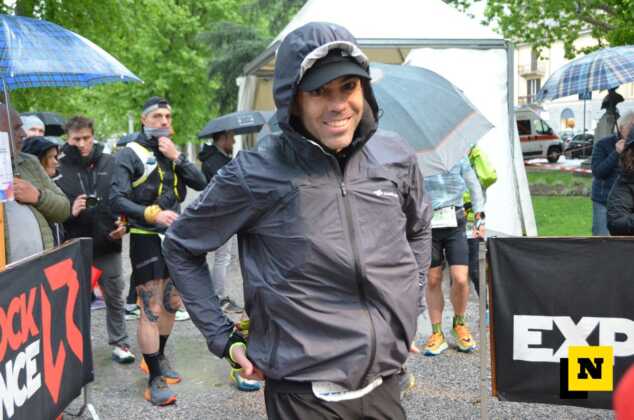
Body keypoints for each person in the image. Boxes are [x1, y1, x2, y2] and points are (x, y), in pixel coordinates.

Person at [163, 22, 431, 419]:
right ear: (293, 100)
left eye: (348, 87)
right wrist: (223, 337)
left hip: (385, 384)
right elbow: (181, 245)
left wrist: (408, 309)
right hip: (304, 399)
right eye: (319, 91)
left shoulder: (394, 156)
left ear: (364, 90)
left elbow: (418, 230)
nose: (338, 105)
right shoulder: (256, 173)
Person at [110, 96, 207, 405]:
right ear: (144, 120)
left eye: (168, 116)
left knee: (172, 302)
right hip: (145, 237)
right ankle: (153, 378)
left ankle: (158, 356)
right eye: (157, 116)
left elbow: (201, 182)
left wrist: (178, 157)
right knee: (151, 307)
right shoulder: (129, 153)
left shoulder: (169, 151)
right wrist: (150, 214)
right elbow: (115, 198)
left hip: (174, 238)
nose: (164, 121)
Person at [55, 116, 134, 364]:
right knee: (76, 300)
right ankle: (77, 346)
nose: (82, 144)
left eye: (86, 138)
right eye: (76, 139)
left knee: (114, 296)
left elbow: (124, 198)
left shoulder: (110, 162)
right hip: (74, 245)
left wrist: (125, 224)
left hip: (108, 242)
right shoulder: (58, 166)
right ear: (67, 138)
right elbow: (51, 208)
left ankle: (120, 342)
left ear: (93, 136)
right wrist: (70, 210)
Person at [422, 157, 485, 356]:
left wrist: (479, 217)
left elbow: (473, 185)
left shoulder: (457, 155)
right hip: (427, 224)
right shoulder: (418, 156)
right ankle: (437, 333)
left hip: (455, 223)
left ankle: (459, 324)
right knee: (433, 279)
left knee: (460, 278)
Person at [0, 104, 70, 264]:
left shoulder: (29, 162)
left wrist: (38, 196)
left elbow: (64, 209)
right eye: (15, 128)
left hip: (39, 270)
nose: (23, 134)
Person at [198, 130, 242, 313]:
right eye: (231, 138)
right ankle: (219, 297)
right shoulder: (217, 162)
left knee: (223, 257)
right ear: (222, 138)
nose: (233, 142)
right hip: (222, 214)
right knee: (222, 257)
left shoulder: (214, 159)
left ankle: (217, 295)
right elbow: (226, 188)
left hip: (219, 213)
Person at [591, 112, 634, 235]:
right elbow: (598, 172)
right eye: (631, 126)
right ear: (621, 127)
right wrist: (616, 153)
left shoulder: (631, 146)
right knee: (602, 238)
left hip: (628, 200)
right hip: (603, 198)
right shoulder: (603, 144)